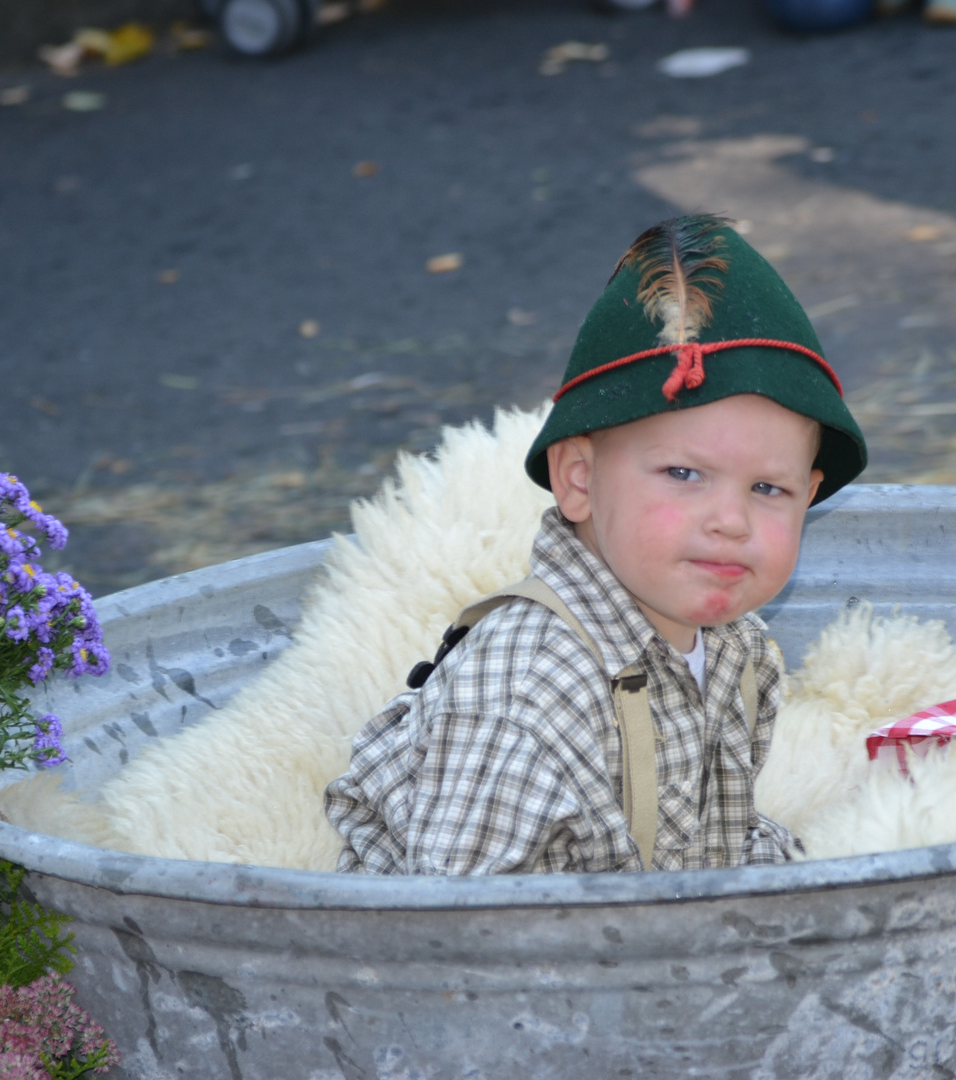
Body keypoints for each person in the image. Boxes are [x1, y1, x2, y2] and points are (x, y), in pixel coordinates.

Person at [323, 213, 867, 874]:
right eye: (684, 474)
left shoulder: (737, 650)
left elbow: (714, 843)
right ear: (579, 480)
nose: (732, 521)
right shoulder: (530, 690)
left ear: (809, 494)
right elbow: (456, 931)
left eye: (769, 489)